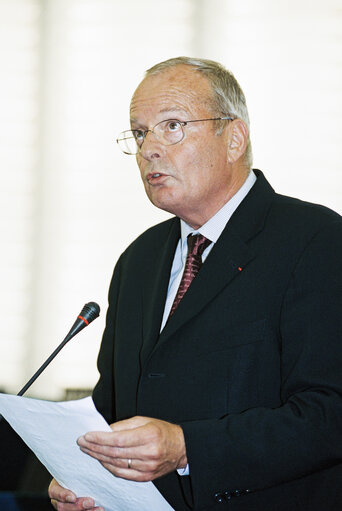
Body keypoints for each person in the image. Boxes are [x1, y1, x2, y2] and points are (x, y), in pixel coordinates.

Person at [49, 57, 342, 511]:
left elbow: (331, 413)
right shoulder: (138, 261)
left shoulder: (316, 240)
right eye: (140, 132)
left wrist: (189, 446)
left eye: (172, 126)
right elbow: (112, 409)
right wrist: (83, 472)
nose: (149, 148)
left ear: (234, 138)